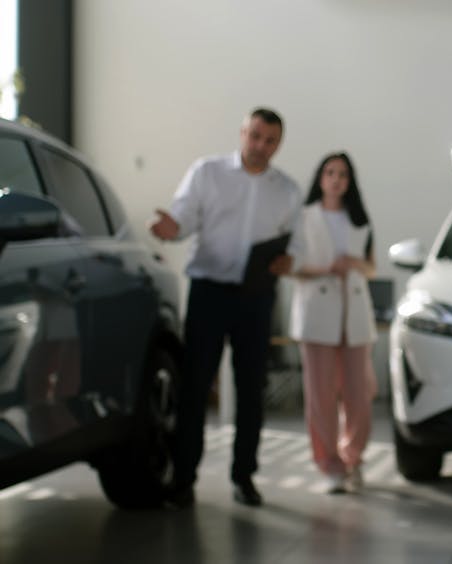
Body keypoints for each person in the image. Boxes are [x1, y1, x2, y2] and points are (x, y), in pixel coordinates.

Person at [149, 108, 302, 507]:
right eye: (255, 136)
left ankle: (244, 476)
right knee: (196, 385)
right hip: (209, 293)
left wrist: (290, 262)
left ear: (278, 144)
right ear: (242, 133)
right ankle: (183, 479)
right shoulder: (207, 172)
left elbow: (297, 246)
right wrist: (171, 229)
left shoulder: (287, 190)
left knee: (252, 389)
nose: (260, 146)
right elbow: (182, 218)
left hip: (256, 298)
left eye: (269, 140)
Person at [288, 152, 378, 494]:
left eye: (342, 173)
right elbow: (293, 266)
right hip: (316, 313)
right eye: (329, 172)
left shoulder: (360, 219)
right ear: (320, 177)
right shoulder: (303, 217)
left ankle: (353, 457)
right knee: (320, 395)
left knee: (359, 394)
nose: (336, 179)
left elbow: (371, 268)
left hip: (354, 314)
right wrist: (327, 269)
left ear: (350, 180)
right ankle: (329, 464)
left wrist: (353, 263)